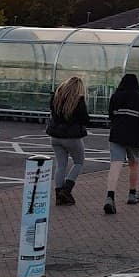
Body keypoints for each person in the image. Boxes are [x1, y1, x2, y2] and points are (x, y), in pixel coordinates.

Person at [104, 73, 139, 215]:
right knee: (134, 164)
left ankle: (110, 196)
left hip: (117, 134)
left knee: (115, 165)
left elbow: (111, 115)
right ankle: (132, 193)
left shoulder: (115, 97)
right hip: (135, 136)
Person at [46, 76, 90, 206]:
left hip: (55, 136)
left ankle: (58, 195)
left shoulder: (56, 97)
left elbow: (52, 113)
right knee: (78, 163)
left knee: (61, 165)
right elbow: (85, 119)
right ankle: (66, 190)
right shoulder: (78, 101)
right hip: (72, 137)